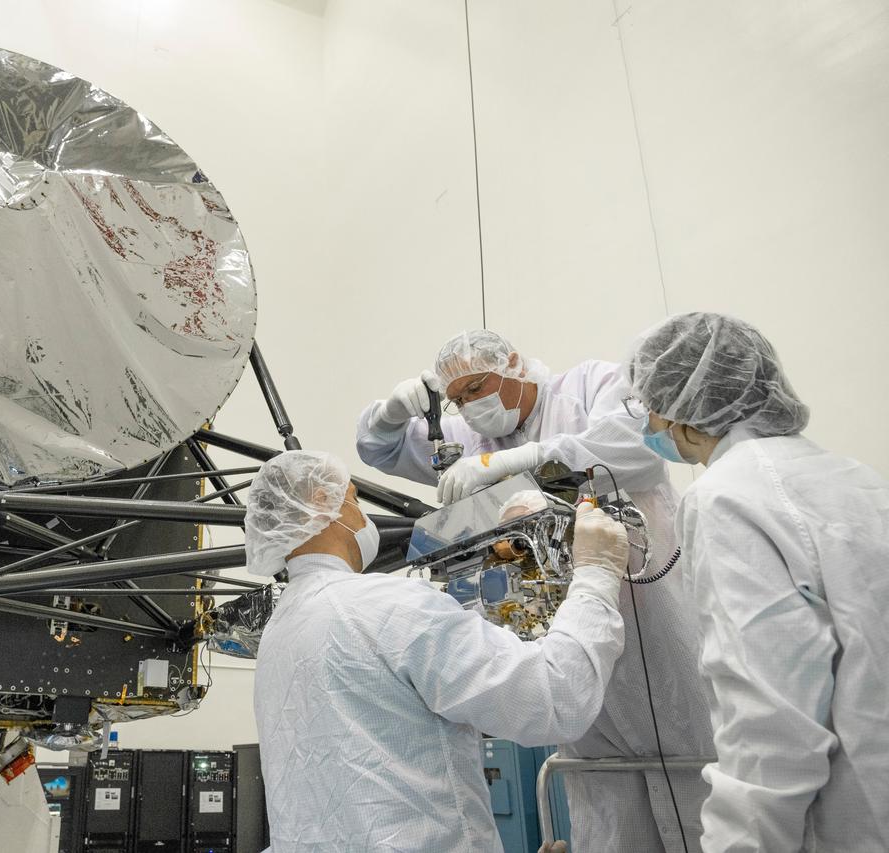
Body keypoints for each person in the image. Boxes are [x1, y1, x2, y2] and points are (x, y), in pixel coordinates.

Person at [357, 329, 714, 852]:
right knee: (596, 767)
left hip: (649, 604)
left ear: (514, 364)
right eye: (456, 399)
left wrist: (526, 459)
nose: (467, 407)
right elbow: (379, 448)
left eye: (476, 388)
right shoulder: (472, 438)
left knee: (687, 742)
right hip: (565, 624)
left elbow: (637, 451)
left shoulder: (588, 386)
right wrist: (389, 412)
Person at [247, 449, 631, 852]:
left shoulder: (279, 634)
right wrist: (596, 574)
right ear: (325, 502)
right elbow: (554, 697)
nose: (363, 515)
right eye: (355, 499)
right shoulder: (383, 604)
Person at [628, 312, 889, 852]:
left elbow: (768, 718)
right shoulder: (854, 477)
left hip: (852, 813)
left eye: (649, 404)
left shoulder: (728, 496)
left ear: (683, 408)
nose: (647, 422)